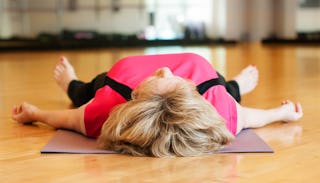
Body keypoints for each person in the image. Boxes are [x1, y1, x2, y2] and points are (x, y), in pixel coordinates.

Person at [11, 53, 303, 157]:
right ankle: (237, 86)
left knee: (86, 92)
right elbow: (254, 118)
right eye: (172, 79)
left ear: (134, 97)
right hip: (203, 76)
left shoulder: (107, 108)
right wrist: (282, 113)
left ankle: (71, 83)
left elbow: (64, 119)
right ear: (192, 91)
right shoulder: (219, 112)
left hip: (121, 76)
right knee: (225, 89)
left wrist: (35, 114)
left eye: (158, 78)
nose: (164, 69)